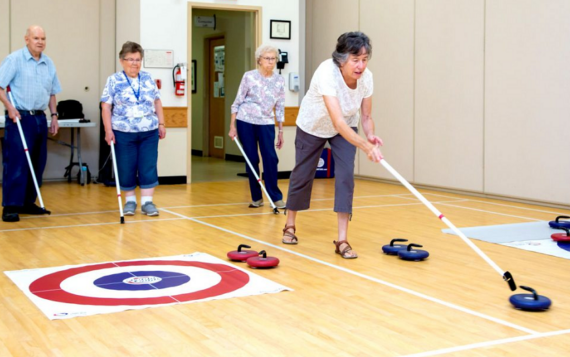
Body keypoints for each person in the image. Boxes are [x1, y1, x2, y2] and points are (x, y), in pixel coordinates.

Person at [281, 32, 383, 259]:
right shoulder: (327, 72)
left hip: (345, 128)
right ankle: (289, 225)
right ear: (341, 59)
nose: (361, 65)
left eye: (365, 59)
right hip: (313, 125)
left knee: (346, 175)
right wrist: (366, 147)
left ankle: (343, 240)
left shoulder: (367, 78)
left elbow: (366, 117)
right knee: (303, 174)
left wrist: (371, 135)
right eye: (355, 59)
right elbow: (334, 119)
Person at [0, 25, 60, 223]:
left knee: (37, 162)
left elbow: (52, 92)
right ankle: (11, 206)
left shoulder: (48, 63)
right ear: (27, 39)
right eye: (36, 38)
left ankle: (27, 202)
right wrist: (9, 107)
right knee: (17, 163)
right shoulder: (14, 60)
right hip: (19, 117)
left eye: (43, 38)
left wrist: (54, 115)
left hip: (39, 118)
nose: (40, 41)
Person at [101, 41, 166, 216]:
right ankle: (130, 201)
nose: (134, 63)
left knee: (148, 165)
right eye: (130, 59)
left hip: (148, 131)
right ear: (122, 60)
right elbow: (106, 106)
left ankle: (147, 202)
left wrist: (161, 123)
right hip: (123, 132)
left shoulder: (147, 78)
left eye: (138, 59)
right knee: (126, 166)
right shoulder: (114, 80)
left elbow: (157, 101)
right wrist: (108, 130)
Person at [229, 44, 286, 209]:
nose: (271, 62)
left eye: (273, 58)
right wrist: (232, 126)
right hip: (245, 120)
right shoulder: (249, 76)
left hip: (266, 122)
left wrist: (281, 130)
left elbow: (280, 106)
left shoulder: (279, 80)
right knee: (252, 159)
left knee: (270, 158)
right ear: (259, 60)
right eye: (267, 58)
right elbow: (237, 101)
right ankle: (256, 197)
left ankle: (275, 197)